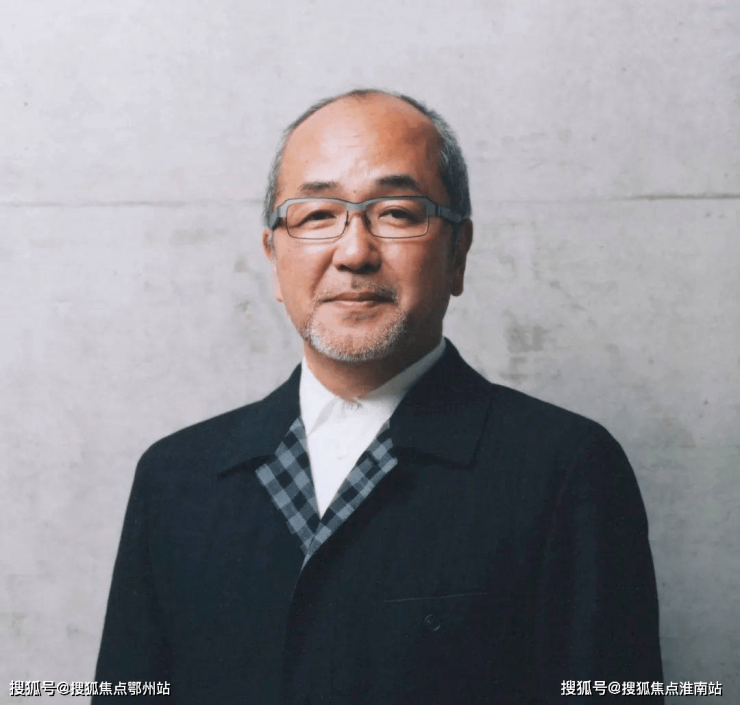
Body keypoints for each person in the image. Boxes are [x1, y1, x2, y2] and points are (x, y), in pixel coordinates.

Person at [94, 89, 663, 704]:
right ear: (274, 258)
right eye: (317, 215)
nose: (355, 252)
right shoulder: (176, 478)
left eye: (396, 213)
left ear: (458, 253)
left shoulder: (566, 468)